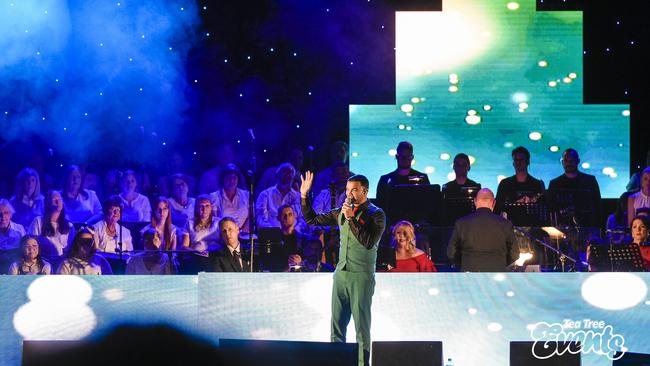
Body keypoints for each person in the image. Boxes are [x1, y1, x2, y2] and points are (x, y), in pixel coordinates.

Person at [300, 171, 386, 366]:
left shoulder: (376, 214)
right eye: (347, 190)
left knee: (361, 329)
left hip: (361, 276)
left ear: (365, 191)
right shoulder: (341, 211)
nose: (349, 194)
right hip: (340, 275)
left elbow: (368, 242)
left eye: (354, 190)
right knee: (336, 327)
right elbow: (312, 220)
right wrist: (304, 196)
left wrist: (352, 219)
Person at [447, 188, 518, 272]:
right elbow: (515, 254)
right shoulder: (506, 224)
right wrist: (500, 263)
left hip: (469, 273)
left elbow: (451, 253)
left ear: (475, 201)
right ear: (494, 203)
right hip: (497, 273)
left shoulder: (461, 223)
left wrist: (464, 264)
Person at [547, 148, 601, 227]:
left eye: (572, 160)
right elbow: (550, 209)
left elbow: (598, 207)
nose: (569, 163)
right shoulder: (554, 184)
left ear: (578, 161)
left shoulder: (590, 181)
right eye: (566, 160)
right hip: (561, 229)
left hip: (586, 228)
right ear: (562, 162)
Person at [375, 141, 430, 208]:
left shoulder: (385, 180)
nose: (405, 159)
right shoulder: (384, 180)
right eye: (402, 156)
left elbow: (428, 204)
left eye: (407, 156)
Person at [495, 146, 545, 215]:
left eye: (521, 160)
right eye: (516, 160)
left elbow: (543, 209)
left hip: (532, 223)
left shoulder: (537, 184)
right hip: (509, 223)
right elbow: (497, 207)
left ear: (527, 161)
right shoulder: (504, 184)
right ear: (513, 163)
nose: (518, 162)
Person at [28, 190, 75, 258]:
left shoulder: (69, 226)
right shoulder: (38, 221)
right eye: (54, 198)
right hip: (43, 260)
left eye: (59, 198)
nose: (57, 201)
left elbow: (71, 249)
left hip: (62, 262)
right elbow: (31, 242)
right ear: (48, 203)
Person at [256, 163, 302, 229]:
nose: (288, 176)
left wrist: (295, 230)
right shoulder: (265, 195)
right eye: (284, 173)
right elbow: (261, 220)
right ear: (277, 176)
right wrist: (276, 232)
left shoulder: (298, 197)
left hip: (294, 236)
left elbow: (302, 219)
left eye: (290, 174)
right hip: (272, 236)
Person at [210, 164, 250, 231]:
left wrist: (241, 232)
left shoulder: (246, 195)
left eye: (234, 178)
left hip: (244, 235)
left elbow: (251, 217)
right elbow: (215, 221)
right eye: (228, 178)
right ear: (223, 180)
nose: (232, 181)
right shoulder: (214, 197)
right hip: (224, 235)